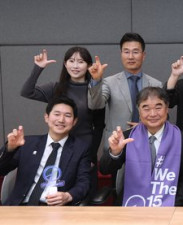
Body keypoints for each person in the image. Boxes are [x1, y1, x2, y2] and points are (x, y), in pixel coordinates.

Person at [20, 47, 105, 199]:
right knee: (51, 196)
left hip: (83, 152)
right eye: (71, 61)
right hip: (57, 150)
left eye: (81, 61)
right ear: (65, 64)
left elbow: (99, 127)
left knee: (81, 198)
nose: (75, 66)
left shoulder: (96, 89)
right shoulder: (56, 87)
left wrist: (91, 156)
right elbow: (27, 91)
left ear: (89, 65)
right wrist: (38, 68)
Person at [100, 87, 183, 207]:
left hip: (169, 204)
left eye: (158, 107)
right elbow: (104, 169)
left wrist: (173, 202)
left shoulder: (182, 139)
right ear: (139, 111)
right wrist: (114, 152)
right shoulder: (126, 137)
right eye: (146, 108)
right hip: (131, 203)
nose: (153, 114)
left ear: (167, 109)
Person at [0, 96, 91, 206]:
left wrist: (68, 196)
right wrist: (10, 149)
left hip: (56, 209)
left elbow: (84, 182)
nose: (61, 120)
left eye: (67, 116)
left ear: (74, 121)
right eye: (56, 114)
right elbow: (2, 170)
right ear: (46, 117)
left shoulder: (80, 148)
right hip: (21, 206)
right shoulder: (27, 144)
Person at [88, 32, 162, 154]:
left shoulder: (156, 84)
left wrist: (145, 124)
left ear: (143, 55)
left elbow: (162, 115)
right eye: (126, 52)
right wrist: (96, 81)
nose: (130, 56)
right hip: (117, 145)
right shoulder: (109, 82)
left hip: (148, 144)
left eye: (135, 52)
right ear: (121, 54)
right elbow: (95, 105)